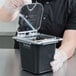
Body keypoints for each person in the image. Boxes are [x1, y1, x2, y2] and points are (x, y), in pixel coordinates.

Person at [0, 0, 76, 72]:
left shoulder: (72, 3)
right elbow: (4, 17)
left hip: (52, 63)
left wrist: (60, 55)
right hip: (21, 56)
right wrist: (10, 7)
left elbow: (70, 41)